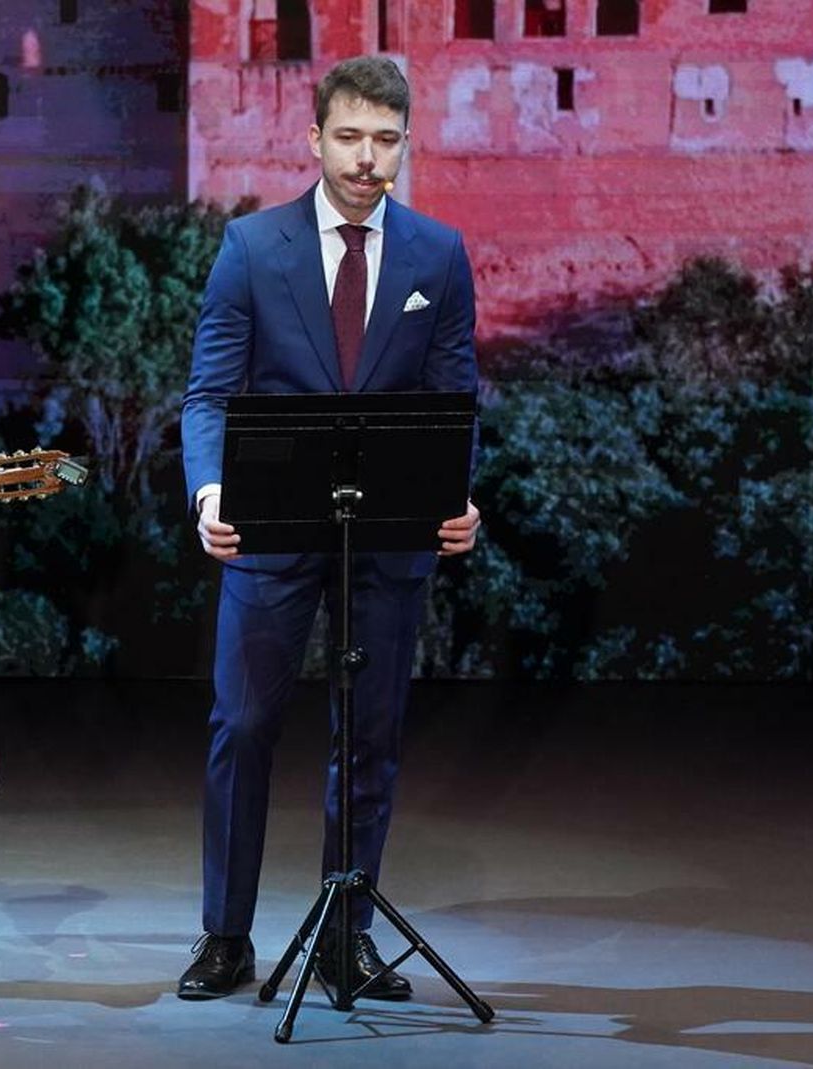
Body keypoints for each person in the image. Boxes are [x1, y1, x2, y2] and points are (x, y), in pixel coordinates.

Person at [176, 56, 481, 1001]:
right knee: (243, 725)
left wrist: (458, 498)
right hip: (270, 529)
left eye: (385, 140)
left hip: (388, 536)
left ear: (405, 144)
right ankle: (226, 935)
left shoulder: (439, 254)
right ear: (315, 139)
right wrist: (209, 493)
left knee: (371, 737)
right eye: (349, 137)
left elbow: (455, 400)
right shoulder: (251, 247)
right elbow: (208, 393)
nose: (366, 158)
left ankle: (347, 937)